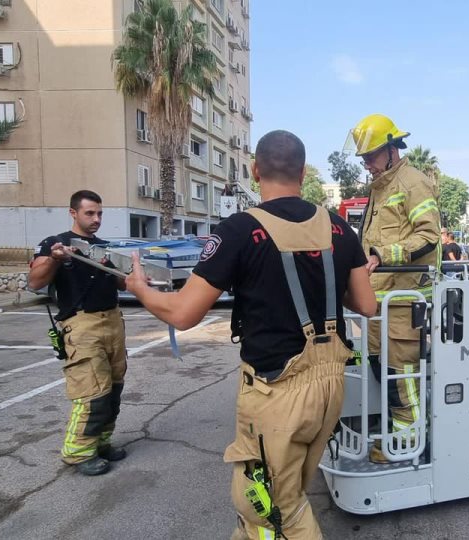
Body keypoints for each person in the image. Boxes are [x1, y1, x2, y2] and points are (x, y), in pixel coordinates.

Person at [126, 130, 376, 539]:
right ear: (301, 171)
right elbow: (366, 305)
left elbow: (184, 314)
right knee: (280, 495)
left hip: (277, 394)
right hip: (330, 387)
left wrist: (140, 289)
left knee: (273, 507)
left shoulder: (239, 231)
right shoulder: (337, 228)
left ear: (255, 169)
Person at [344, 113, 442, 463]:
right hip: (379, 305)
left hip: (404, 304)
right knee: (382, 371)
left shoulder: (413, 183)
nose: (367, 164)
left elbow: (429, 238)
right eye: (364, 158)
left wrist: (381, 255)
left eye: (371, 156)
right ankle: (400, 432)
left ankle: (410, 442)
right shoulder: (381, 188)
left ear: (391, 149)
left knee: (402, 377)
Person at [26, 190, 129, 477]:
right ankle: (78, 452)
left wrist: (122, 267)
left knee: (114, 389)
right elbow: (34, 282)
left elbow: (123, 285)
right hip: (81, 325)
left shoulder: (105, 247)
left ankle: (101, 443)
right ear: (73, 213)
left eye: (99, 213)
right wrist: (56, 258)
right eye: (89, 213)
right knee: (92, 391)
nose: (96, 219)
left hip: (113, 320)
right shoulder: (54, 244)